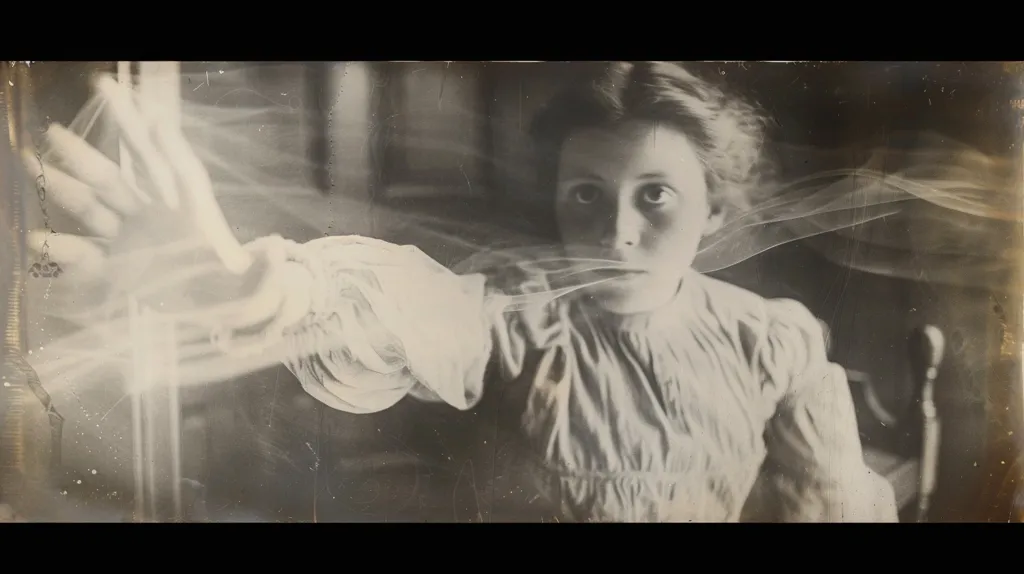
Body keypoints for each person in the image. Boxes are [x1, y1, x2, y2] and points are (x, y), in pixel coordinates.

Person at [26, 61, 897, 522]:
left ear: (714, 214)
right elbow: (413, 303)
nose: (615, 232)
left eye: (655, 197)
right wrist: (252, 286)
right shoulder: (521, 316)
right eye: (585, 195)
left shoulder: (773, 340)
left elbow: (827, 509)